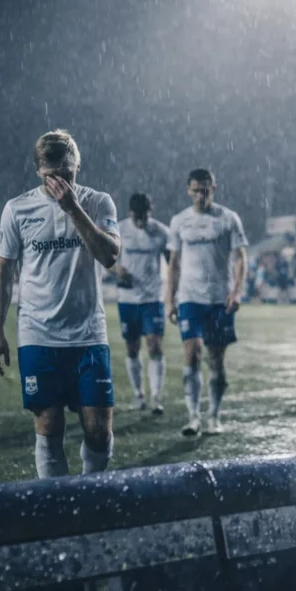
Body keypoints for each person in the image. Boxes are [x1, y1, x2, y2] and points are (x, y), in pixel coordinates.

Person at [0, 130, 121, 478]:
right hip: (38, 335)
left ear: (78, 166)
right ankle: (57, 505)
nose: (60, 182)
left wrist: (72, 207)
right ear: (38, 171)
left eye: (67, 173)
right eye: (51, 175)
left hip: (88, 335)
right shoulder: (17, 209)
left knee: (99, 433)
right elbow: (3, 272)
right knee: (48, 428)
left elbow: (109, 255)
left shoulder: (98, 202)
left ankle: (90, 494)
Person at [166, 169, 248, 437]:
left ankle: (214, 415)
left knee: (216, 360)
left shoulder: (228, 218)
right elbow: (174, 264)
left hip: (219, 299)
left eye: (205, 190)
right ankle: (193, 416)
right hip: (190, 298)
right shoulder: (179, 221)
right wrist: (169, 300)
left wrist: (236, 292)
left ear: (214, 188)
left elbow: (240, 258)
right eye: (196, 191)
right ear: (188, 191)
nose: (201, 196)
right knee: (192, 354)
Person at [112, 193, 170, 414]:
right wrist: (116, 269)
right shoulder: (119, 230)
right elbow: (105, 258)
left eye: (144, 216)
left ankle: (156, 396)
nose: (141, 222)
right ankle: (138, 395)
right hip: (127, 299)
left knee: (154, 345)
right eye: (137, 217)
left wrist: (173, 289)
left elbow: (173, 261)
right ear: (130, 213)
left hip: (153, 298)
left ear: (149, 213)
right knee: (132, 347)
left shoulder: (161, 232)